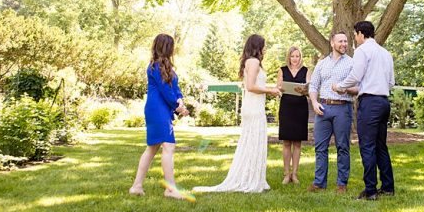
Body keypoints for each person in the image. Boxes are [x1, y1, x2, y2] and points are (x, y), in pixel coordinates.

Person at [193, 34, 282, 192]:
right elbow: (251, 86)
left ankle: (254, 177)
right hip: (254, 108)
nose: (265, 49)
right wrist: (271, 90)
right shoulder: (253, 62)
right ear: (257, 46)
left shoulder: (250, 62)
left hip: (253, 106)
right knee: (254, 141)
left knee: (253, 142)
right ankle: (250, 179)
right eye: (263, 45)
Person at [333, 21, 395, 200]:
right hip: (384, 102)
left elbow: (355, 76)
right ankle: (388, 187)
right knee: (381, 146)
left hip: (369, 103)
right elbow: (391, 82)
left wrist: (340, 87)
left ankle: (370, 190)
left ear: (360, 33)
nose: (354, 38)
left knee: (367, 146)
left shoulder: (362, 51)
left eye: (355, 35)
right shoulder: (385, 53)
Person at [129, 33, 190, 199]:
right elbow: (165, 91)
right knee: (168, 146)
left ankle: (137, 186)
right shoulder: (155, 67)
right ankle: (170, 189)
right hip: (157, 110)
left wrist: (180, 101)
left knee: (152, 148)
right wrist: (178, 108)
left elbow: (174, 89)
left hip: (163, 109)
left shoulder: (167, 67)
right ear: (167, 48)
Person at [307, 31, 359, 194]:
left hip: (342, 108)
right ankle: (319, 183)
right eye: (340, 41)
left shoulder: (352, 63)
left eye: (345, 41)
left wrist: (344, 89)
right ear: (332, 43)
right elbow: (314, 86)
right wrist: (314, 102)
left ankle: (341, 184)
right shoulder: (322, 64)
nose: (344, 44)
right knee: (320, 147)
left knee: (342, 146)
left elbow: (358, 88)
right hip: (322, 108)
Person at [276, 46, 311, 184]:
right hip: (286, 108)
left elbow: (310, 90)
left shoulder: (306, 70)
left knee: (297, 142)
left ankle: (295, 174)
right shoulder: (282, 70)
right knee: (286, 142)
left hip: (300, 108)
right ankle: (286, 174)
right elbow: (278, 88)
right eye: (293, 56)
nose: (295, 59)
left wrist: (304, 91)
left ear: (300, 57)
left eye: (297, 56)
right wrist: (281, 89)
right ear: (288, 57)